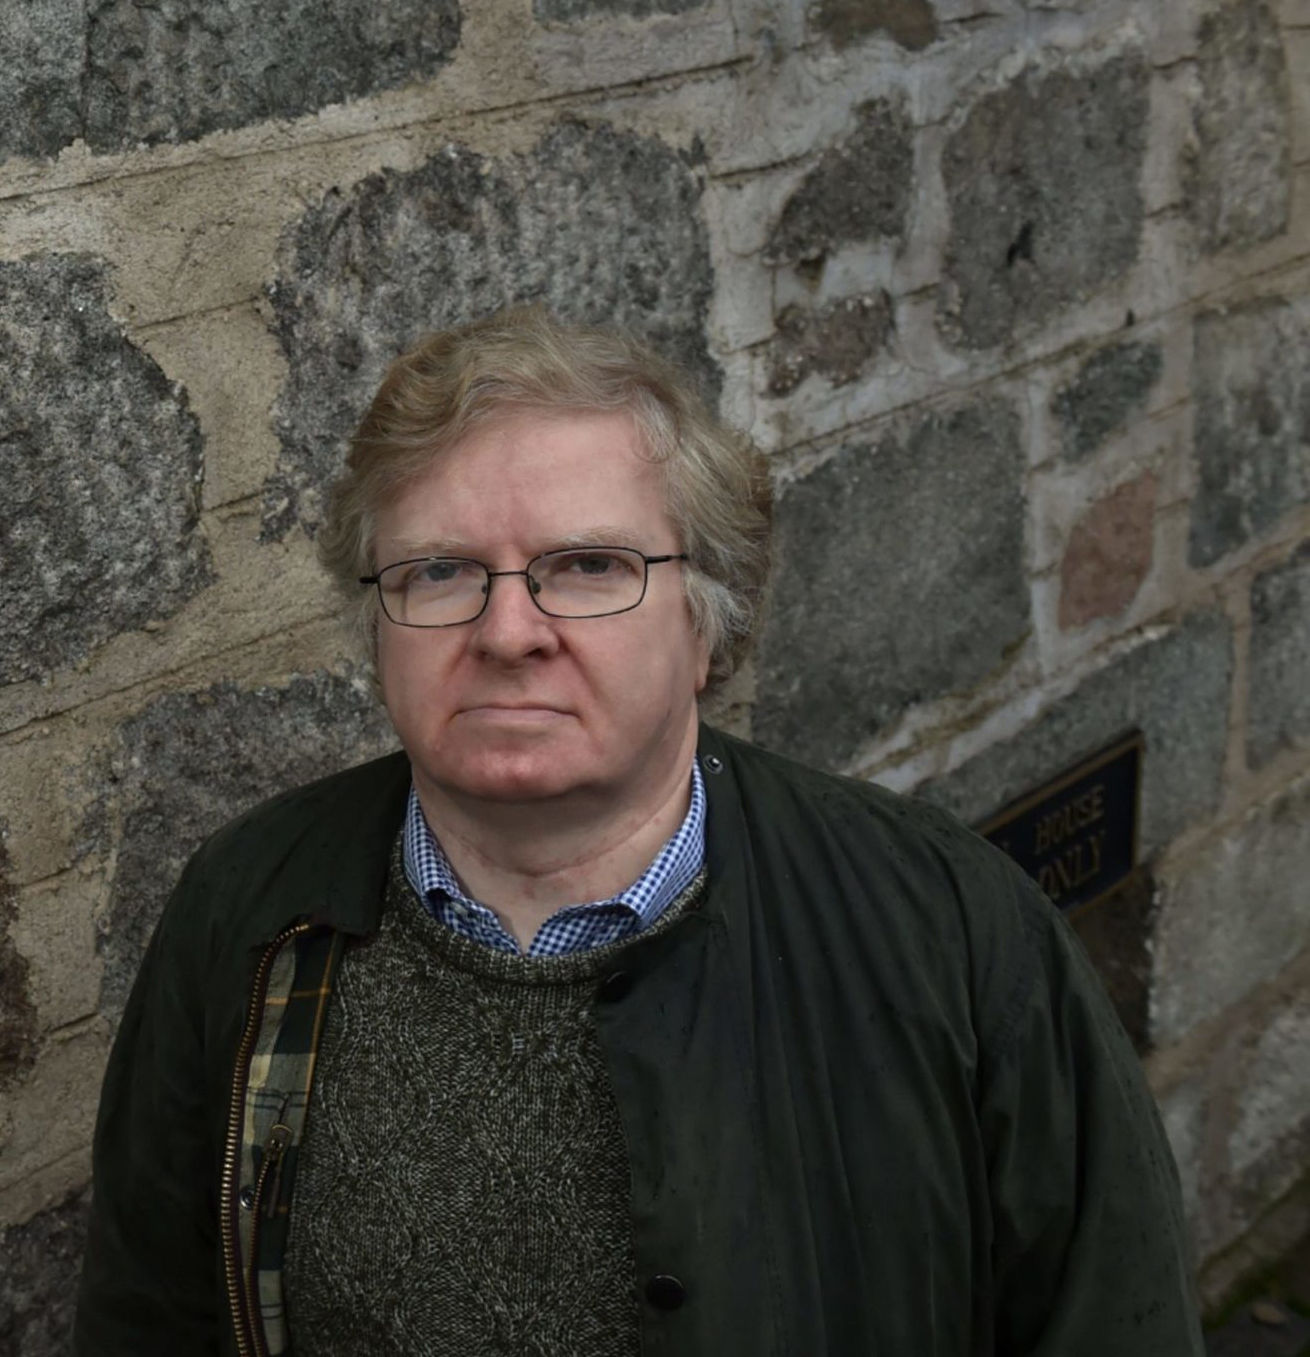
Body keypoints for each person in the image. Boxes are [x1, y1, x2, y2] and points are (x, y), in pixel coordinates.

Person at [73, 307, 1199, 1356]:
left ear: (707, 625)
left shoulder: (951, 932)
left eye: (589, 566)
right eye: (439, 571)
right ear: (378, 625)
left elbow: (1110, 1315)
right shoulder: (253, 913)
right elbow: (148, 1314)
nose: (508, 629)